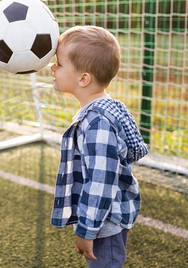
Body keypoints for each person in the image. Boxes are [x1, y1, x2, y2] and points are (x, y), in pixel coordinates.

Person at [50, 25, 148, 268]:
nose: (52, 67)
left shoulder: (98, 124)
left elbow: (101, 181)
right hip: (103, 218)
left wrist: (87, 229)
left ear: (83, 79)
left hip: (104, 222)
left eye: (59, 64)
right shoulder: (101, 111)